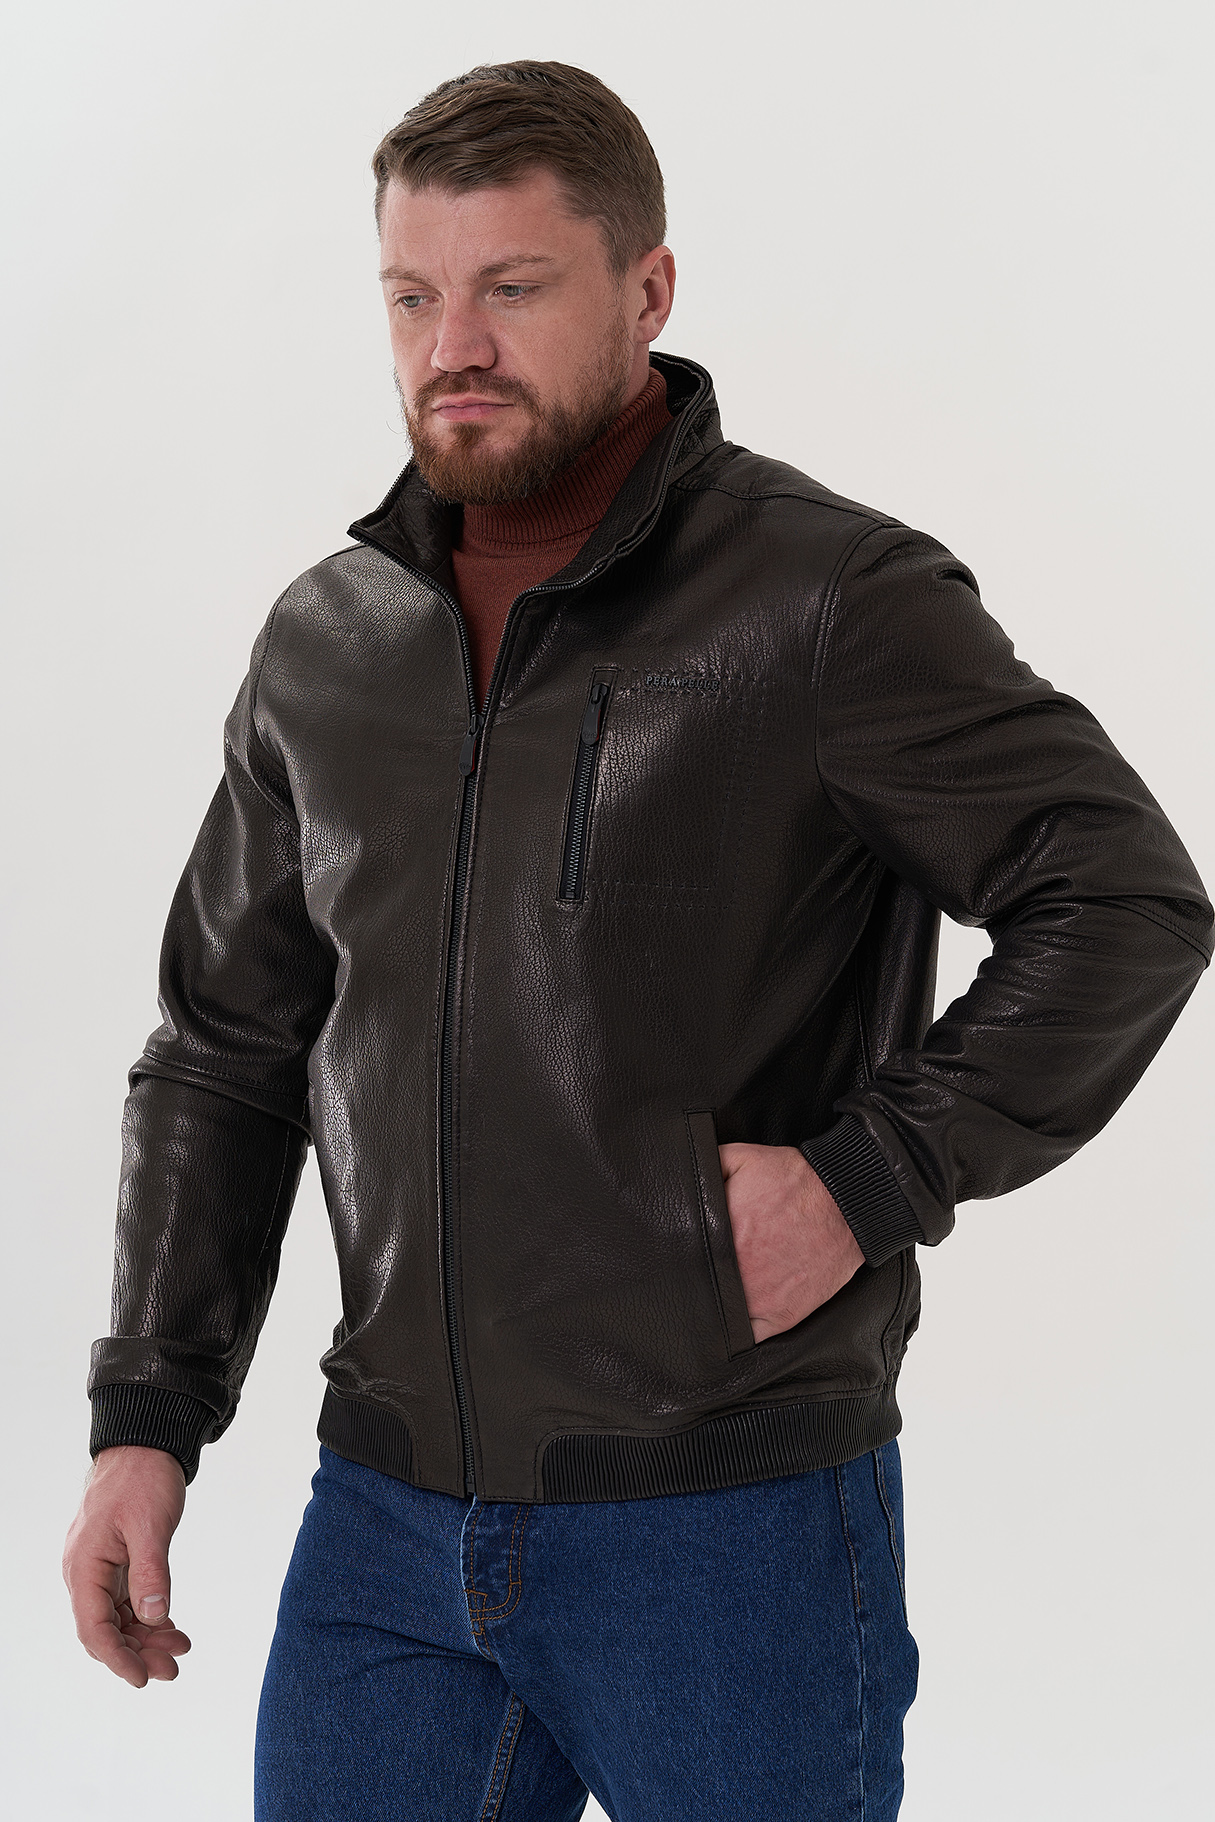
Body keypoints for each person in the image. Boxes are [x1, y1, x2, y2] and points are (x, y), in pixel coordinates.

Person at [62, 59, 1211, 1822]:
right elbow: (226, 1047)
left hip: (727, 1524)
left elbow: (1123, 896)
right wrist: (147, 1418)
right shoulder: (328, 639)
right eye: (411, 297)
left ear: (648, 288)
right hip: (385, 1526)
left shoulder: (827, 600)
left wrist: (872, 1173)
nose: (454, 346)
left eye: (512, 288)